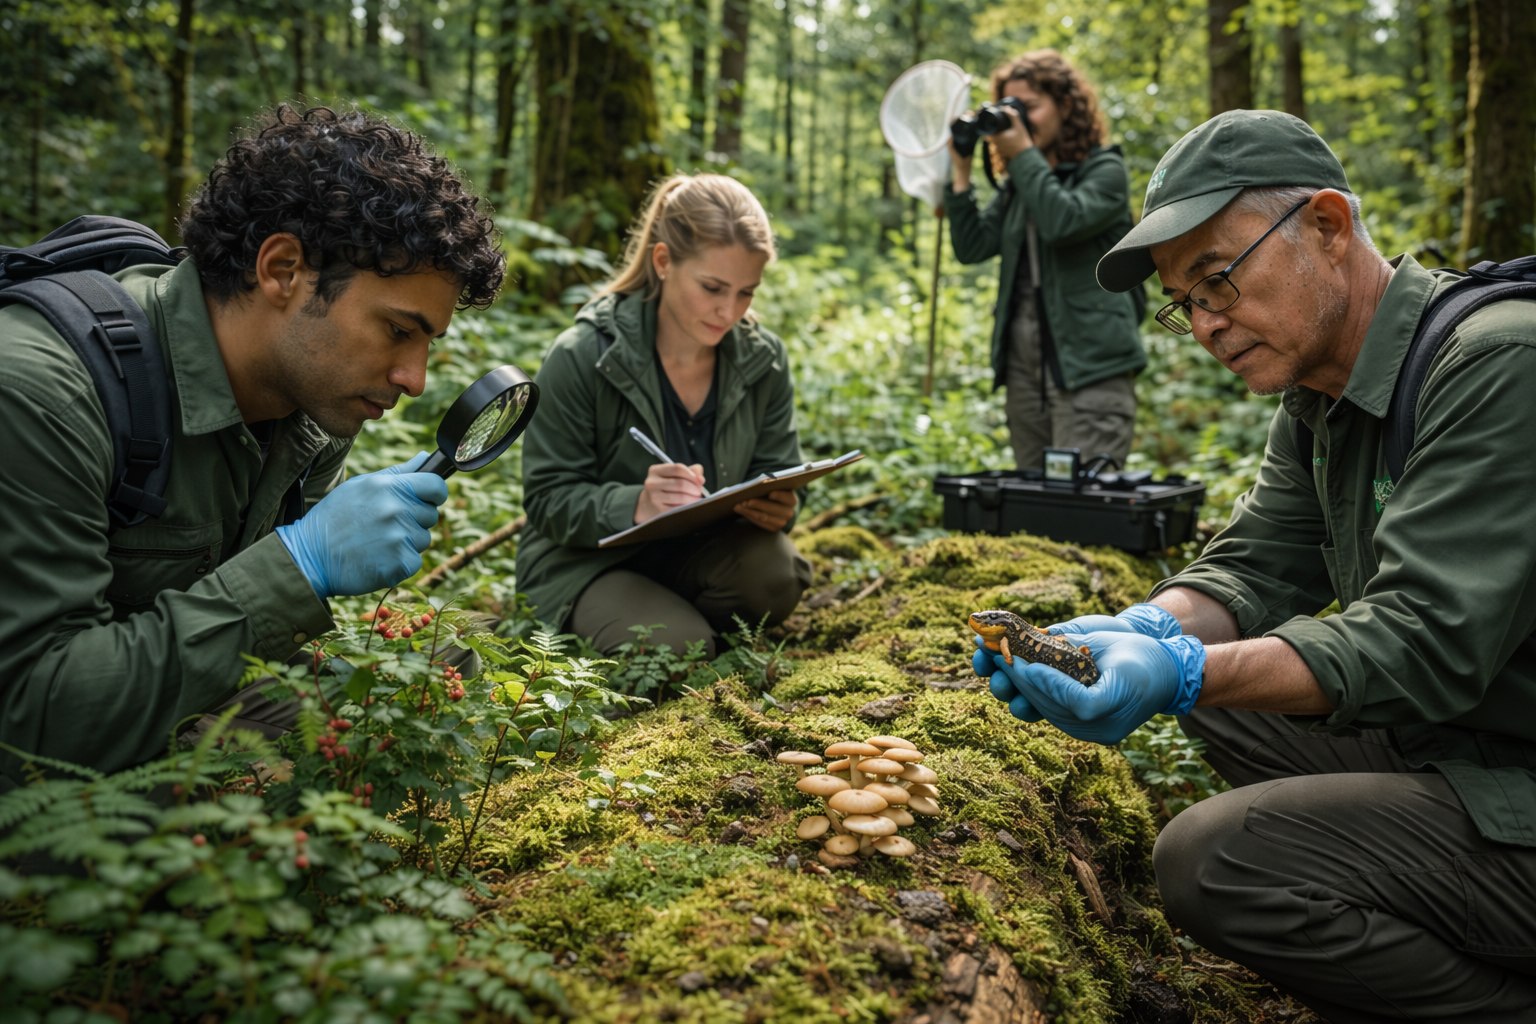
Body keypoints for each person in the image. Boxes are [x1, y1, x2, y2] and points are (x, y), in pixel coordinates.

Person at [975, 109, 1536, 1022]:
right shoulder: (1323, 390)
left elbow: (1423, 640)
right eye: (1184, 301)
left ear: (1326, 224)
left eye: (1219, 278)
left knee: (1213, 857)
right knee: (1230, 714)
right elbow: (1252, 568)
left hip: (1510, 760)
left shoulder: (1498, 362)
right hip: (1472, 740)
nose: (1204, 322)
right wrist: (1146, 631)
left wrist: (1183, 671)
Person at [0, 105, 504, 785]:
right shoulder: (43, 390)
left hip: (152, 699)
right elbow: (32, 716)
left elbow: (237, 644)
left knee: (434, 674)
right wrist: (300, 565)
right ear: (282, 269)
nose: (413, 379)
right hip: (44, 739)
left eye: (425, 344)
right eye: (395, 331)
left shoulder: (309, 414)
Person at [517, 173, 811, 656]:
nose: (729, 311)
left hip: (702, 554)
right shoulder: (583, 355)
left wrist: (781, 509)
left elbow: (777, 473)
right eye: (713, 287)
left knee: (779, 577)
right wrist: (635, 504)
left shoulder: (763, 360)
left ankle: (670, 617)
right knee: (675, 648)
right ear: (663, 261)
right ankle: (656, 626)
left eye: (746, 292)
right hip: (585, 565)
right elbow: (548, 500)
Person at [945, 49, 1146, 472]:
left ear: (1066, 105)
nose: (1019, 119)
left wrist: (1021, 155)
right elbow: (972, 247)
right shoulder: (1019, 186)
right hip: (1024, 370)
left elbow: (1062, 220)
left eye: (1029, 107)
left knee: (1085, 509)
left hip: (1091, 367)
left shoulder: (1105, 170)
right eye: (1009, 110)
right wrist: (960, 173)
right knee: (1035, 507)